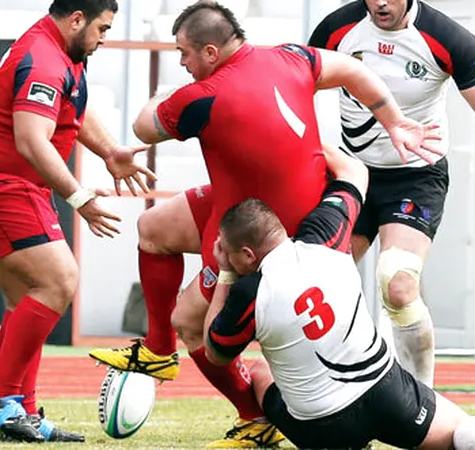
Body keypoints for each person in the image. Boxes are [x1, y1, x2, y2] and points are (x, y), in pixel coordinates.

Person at [88, 1, 442, 446]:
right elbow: (356, 72)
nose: (182, 62)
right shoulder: (292, 56)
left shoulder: (202, 96)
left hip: (266, 233)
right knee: (154, 228)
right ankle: (159, 352)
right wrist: (394, 122)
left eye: (185, 53)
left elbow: (144, 127)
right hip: (255, 207)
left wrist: (169, 97)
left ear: (211, 52)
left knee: (192, 323)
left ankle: (254, 419)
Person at [202, 176, 475, 450]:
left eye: (230, 253)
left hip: (320, 427)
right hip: (386, 394)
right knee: (457, 430)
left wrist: (227, 274)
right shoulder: (326, 236)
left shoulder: (249, 292)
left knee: (263, 370)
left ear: (248, 255)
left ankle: (263, 426)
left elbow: (215, 352)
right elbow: (353, 171)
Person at [0, 0, 154, 443]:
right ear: (76, 19)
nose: (104, 38)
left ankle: (23, 412)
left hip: (8, 186)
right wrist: (79, 197)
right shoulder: (43, 57)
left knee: (27, 298)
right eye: (102, 28)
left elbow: (72, 109)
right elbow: (30, 139)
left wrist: (110, 151)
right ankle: (0, 397)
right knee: (59, 280)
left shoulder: (63, 54)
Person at [307, 0, 475, 388]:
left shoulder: (448, 38)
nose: (381, 3)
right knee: (320, 280)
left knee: (397, 283)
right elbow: (298, 91)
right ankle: (333, 390)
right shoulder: (337, 29)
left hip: (416, 177)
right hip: (353, 175)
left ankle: (422, 400)